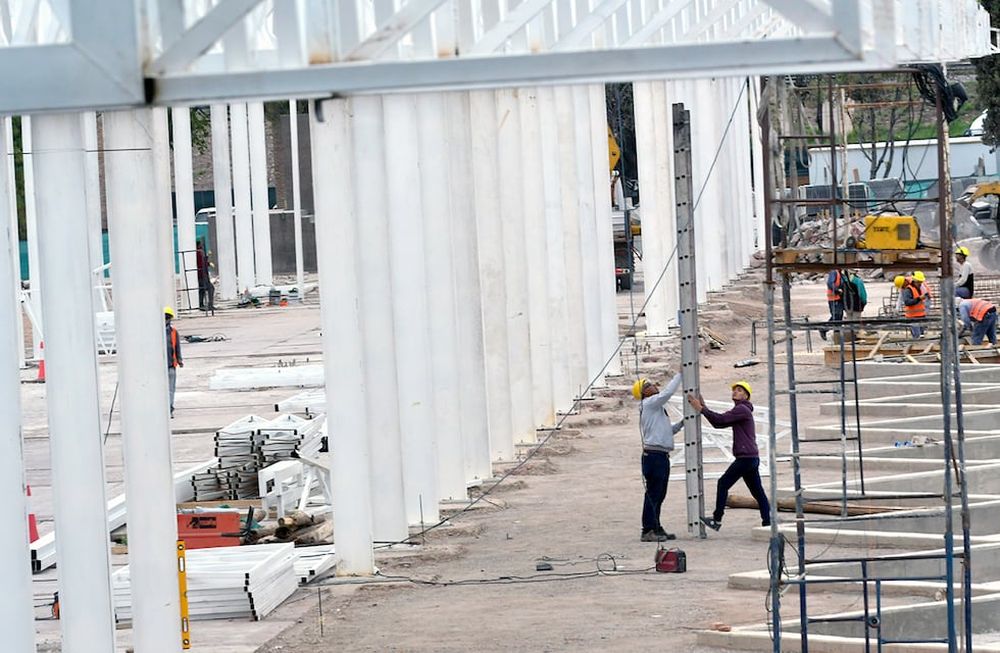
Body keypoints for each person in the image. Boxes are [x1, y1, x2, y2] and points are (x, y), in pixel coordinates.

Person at [687, 381, 771, 531]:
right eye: (734, 390)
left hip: (745, 458)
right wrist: (704, 408)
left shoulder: (742, 410)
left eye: (739, 390)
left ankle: (717, 519)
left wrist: (700, 409)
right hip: (750, 458)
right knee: (758, 492)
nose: (735, 392)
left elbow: (720, 420)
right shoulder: (740, 411)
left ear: (746, 395)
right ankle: (768, 522)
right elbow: (718, 423)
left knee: (723, 483)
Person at [633, 373, 684, 542]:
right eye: (648, 385)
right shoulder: (649, 404)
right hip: (654, 456)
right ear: (644, 393)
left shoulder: (656, 409)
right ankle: (648, 529)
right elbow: (668, 393)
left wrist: (684, 422)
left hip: (659, 455)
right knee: (654, 493)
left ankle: (655, 526)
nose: (653, 386)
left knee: (659, 493)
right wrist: (681, 373)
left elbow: (669, 431)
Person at [165, 306, 183, 418]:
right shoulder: (154, 332)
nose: (166, 319)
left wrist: (180, 360)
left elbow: (177, 347)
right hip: (158, 367)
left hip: (171, 366)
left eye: (167, 317)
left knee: (170, 390)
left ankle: (169, 408)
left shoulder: (174, 332)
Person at [819, 269, 844, 341]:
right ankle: (824, 329)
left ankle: (837, 335)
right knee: (836, 316)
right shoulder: (834, 272)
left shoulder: (839, 273)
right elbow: (830, 283)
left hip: (837, 298)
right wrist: (837, 290)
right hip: (834, 298)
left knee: (839, 317)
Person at [196, 241, 215, 312]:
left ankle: (201, 304)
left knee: (202, 290)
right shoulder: (199, 253)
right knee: (210, 288)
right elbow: (202, 264)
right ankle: (210, 305)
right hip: (202, 275)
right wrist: (207, 262)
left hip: (201, 275)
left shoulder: (198, 253)